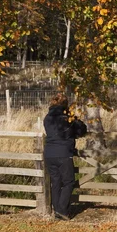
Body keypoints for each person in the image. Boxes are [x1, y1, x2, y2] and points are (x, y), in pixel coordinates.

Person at [43, 93, 87, 221]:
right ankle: (62, 210)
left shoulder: (47, 118)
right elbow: (81, 129)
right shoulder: (67, 118)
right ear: (66, 104)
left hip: (49, 153)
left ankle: (56, 210)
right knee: (68, 182)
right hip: (63, 153)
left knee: (56, 182)